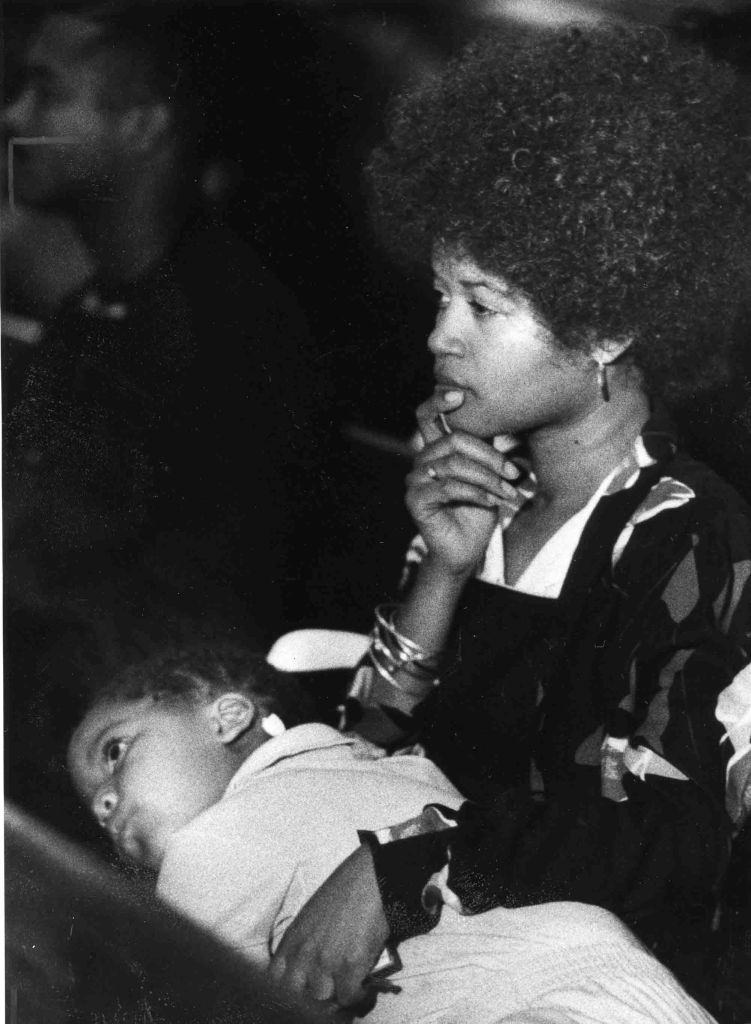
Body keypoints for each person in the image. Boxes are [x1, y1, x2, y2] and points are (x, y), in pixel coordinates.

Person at [266, 24, 751, 1015]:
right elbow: (367, 737)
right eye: (442, 294)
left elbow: (657, 834)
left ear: (606, 322)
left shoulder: (682, 531)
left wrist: (411, 861)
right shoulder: (480, 488)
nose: (438, 335)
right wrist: (441, 571)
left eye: (483, 306)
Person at [68, 645, 717, 1024]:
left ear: (228, 716)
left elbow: (194, 1001)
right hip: (627, 981)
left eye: (116, 751)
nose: (107, 801)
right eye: (95, 803)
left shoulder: (209, 845)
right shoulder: (394, 768)